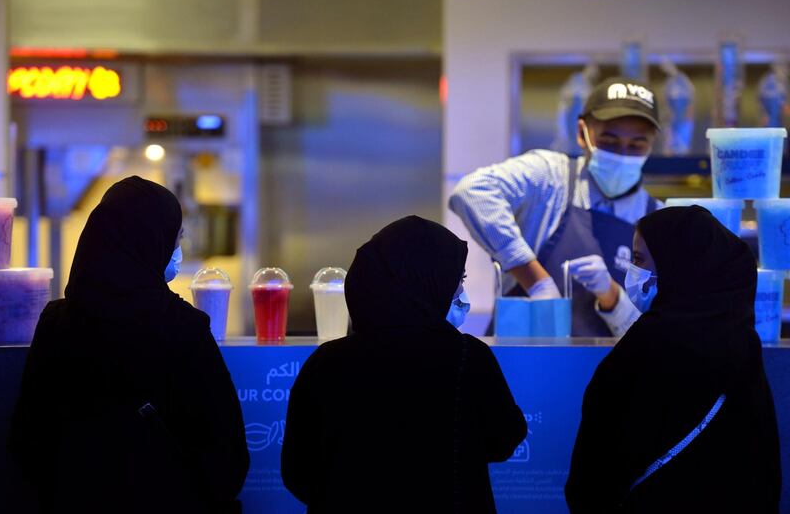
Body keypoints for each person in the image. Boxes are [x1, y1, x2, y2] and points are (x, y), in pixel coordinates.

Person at [9, 176, 249, 514]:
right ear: (152, 242)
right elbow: (226, 456)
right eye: (176, 238)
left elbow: (27, 441)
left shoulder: (56, 323)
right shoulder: (183, 328)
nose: (178, 249)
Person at [281, 215, 527, 513]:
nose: (459, 292)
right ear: (430, 282)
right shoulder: (467, 357)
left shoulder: (325, 363)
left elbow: (298, 472)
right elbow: (503, 440)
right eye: (456, 281)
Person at [565, 206, 781, 513]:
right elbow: (762, 463)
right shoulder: (741, 342)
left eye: (639, 260)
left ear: (675, 265)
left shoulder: (645, 345)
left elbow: (596, 467)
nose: (631, 273)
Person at [449, 77, 662, 336]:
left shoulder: (659, 219)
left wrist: (612, 296)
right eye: (609, 140)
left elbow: (652, 333)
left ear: (651, 144)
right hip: (522, 363)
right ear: (582, 133)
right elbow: (472, 191)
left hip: (607, 371)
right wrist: (537, 281)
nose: (622, 154)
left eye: (637, 144)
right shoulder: (551, 178)